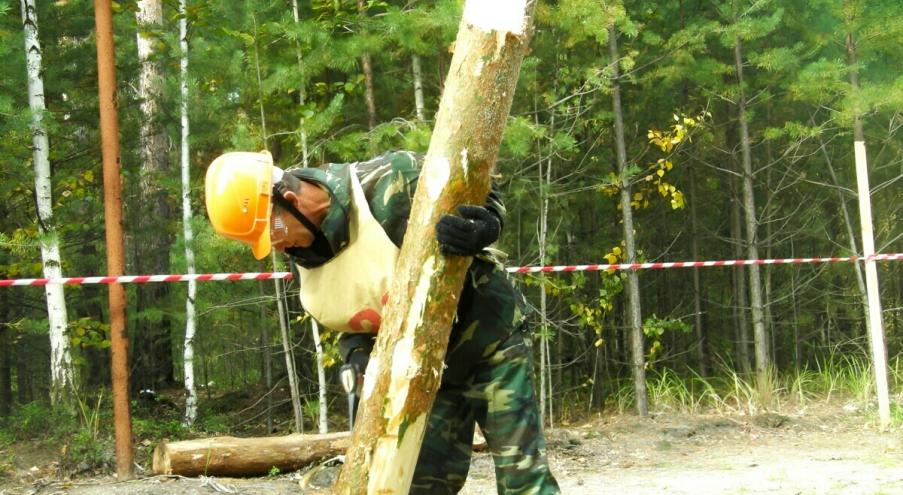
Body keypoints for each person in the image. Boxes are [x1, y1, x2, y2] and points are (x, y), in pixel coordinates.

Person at [205, 150, 560, 494]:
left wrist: (485, 226)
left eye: (274, 231)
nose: (278, 246)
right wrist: (356, 353)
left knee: (523, 481)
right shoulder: (305, 259)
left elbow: (479, 185)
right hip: (424, 374)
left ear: (291, 201)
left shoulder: (393, 178)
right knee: (419, 485)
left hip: (491, 344)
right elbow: (357, 316)